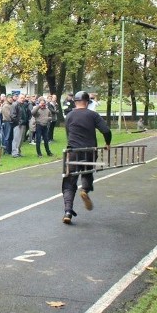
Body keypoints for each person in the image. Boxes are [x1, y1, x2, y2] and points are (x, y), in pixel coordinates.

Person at [61, 91, 112, 224]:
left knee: (69, 182)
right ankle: (84, 189)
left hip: (73, 151)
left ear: (75, 102)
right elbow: (106, 130)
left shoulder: (69, 115)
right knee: (87, 172)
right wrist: (107, 143)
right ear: (87, 102)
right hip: (89, 150)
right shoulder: (93, 115)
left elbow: (68, 132)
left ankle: (67, 211)